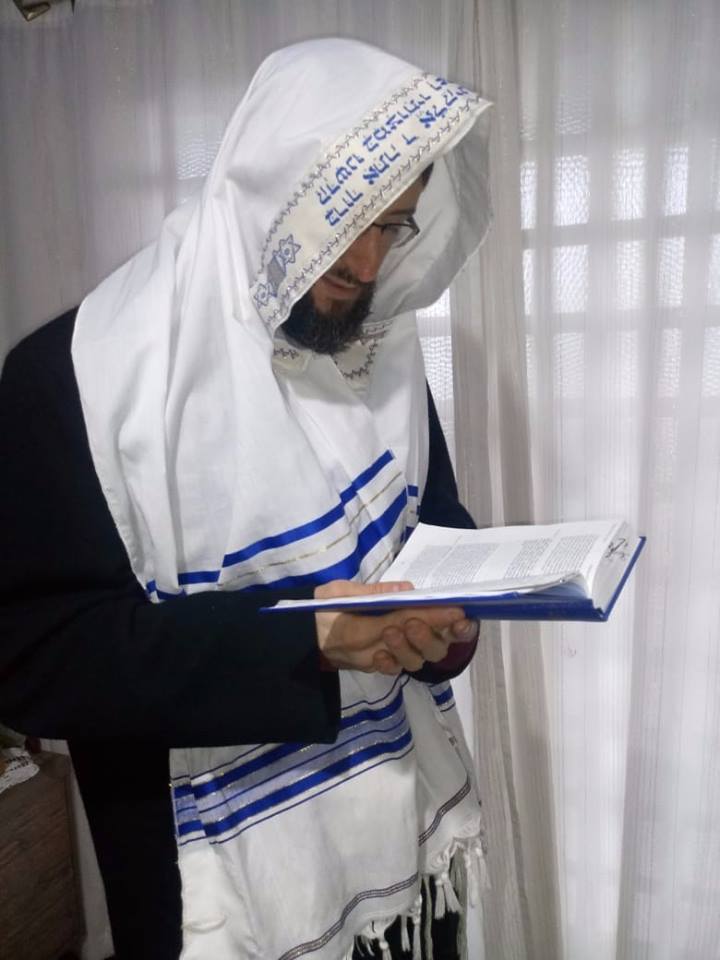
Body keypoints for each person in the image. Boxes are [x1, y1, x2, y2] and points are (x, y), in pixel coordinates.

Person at [0, 38, 492, 960]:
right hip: (210, 885)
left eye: (394, 226)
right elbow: (40, 658)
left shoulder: (376, 346)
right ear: (266, 186)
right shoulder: (78, 380)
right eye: (347, 219)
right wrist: (312, 639)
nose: (366, 263)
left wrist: (448, 625)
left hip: (402, 845)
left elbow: (437, 524)